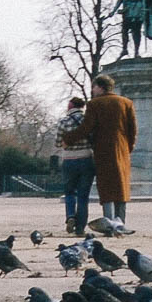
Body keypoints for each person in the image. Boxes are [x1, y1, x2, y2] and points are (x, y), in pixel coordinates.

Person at [70, 73, 137, 236]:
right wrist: (128, 147)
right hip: (122, 150)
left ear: (100, 87)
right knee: (121, 187)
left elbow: (86, 128)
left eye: (94, 87)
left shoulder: (95, 104)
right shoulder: (126, 103)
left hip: (103, 150)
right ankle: (120, 222)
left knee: (106, 187)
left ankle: (109, 222)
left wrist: (68, 138)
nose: (92, 90)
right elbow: (132, 130)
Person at [56, 96, 95, 235]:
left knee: (69, 192)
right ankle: (80, 228)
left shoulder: (63, 122)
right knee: (83, 196)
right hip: (86, 159)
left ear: (71, 106)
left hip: (69, 160)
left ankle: (70, 215)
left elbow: (58, 142)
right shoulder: (89, 121)